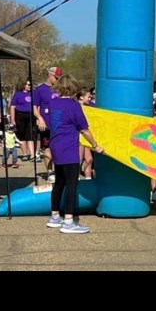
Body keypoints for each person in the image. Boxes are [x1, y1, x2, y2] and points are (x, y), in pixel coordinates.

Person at [46, 74, 104, 234]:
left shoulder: (52, 103)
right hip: (69, 147)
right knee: (72, 185)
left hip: (55, 145)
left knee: (59, 183)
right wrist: (95, 145)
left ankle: (55, 216)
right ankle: (69, 221)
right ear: (73, 88)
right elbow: (84, 129)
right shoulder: (73, 106)